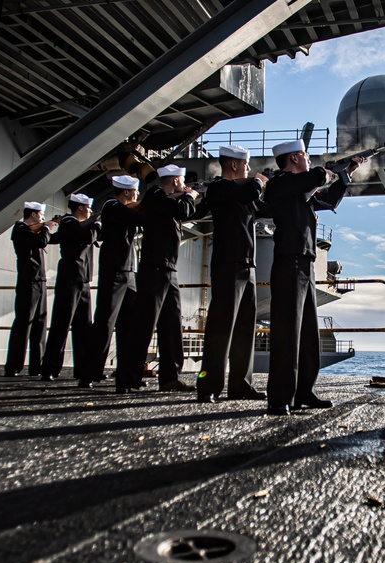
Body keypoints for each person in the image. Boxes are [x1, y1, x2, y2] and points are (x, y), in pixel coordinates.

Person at [262, 140, 361, 416]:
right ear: (294, 158)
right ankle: (280, 397)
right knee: (287, 332)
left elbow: (328, 200)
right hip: (288, 263)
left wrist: (346, 173)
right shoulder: (279, 184)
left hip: (306, 264)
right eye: (305, 155)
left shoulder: (300, 189)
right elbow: (316, 176)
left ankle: (303, 391)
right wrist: (326, 171)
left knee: (307, 334)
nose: (309, 159)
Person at [195, 145, 270, 403]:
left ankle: (241, 385)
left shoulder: (244, 193)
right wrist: (259, 182)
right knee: (220, 327)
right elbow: (250, 191)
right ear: (235, 165)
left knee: (245, 329)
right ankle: (208, 386)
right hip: (227, 264)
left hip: (247, 265)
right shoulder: (219, 188)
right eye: (246, 164)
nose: (249, 169)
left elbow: (264, 207)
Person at [117, 164, 198, 393]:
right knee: (144, 324)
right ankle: (127, 378)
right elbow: (184, 211)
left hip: (168, 269)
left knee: (172, 325)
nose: (184, 186)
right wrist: (190, 195)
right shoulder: (155, 195)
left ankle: (170, 378)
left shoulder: (167, 201)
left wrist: (189, 196)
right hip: (154, 268)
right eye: (182, 182)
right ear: (174, 181)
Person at [77, 175, 142, 388]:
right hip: (114, 271)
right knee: (104, 323)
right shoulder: (111, 206)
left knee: (129, 326)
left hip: (129, 272)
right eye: (135, 191)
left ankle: (125, 375)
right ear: (126, 192)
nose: (137, 194)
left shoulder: (122, 209)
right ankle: (89, 373)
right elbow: (134, 215)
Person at [39, 193, 99, 381]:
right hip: (70, 280)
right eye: (88, 208)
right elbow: (88, 237)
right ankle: (49, 368)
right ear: (80, 208)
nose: (89, 211)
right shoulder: (69, 223)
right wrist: (96, 223)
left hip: (83, 281)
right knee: (61, 324)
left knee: (83, 328)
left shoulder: (75, 224)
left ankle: (82, 369)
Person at [4, 201, 57, 377]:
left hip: (40, 281)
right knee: (23, 324)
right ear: (33, 215)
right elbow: (41, 241)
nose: (43, 218)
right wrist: (47, 228)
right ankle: (13, 365)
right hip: (28, 281)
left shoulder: (33, 230)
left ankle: (37, 365)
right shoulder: (20, 229)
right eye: (41, 215)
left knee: (40, 325)